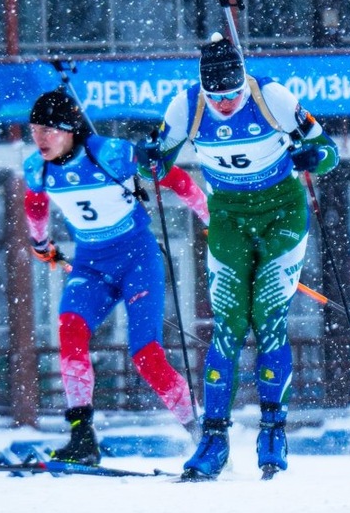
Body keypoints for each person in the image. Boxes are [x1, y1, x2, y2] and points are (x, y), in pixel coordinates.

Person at [144, 33, 339, 480]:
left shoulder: (271, 95)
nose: (226, 104)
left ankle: (273, 430)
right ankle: (214, 440)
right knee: (228, 326)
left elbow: (329, 152)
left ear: (243, 82)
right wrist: (147, 160)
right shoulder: (187, 107)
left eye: (232, 94)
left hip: (282, 213)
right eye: (217, 97)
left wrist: (313, 156)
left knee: (268, 316)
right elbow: (156, 164)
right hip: (229, 216)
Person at [23, 89, 211, 464]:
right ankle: (82, 436)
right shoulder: (37, 168)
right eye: (34, 130)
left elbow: (174, 179)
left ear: (71, 130)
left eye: (49, 130)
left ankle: (202, 436)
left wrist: (212, 221)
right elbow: (36, 202)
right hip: (91, 266)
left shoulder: (111, 154)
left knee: (146, 356)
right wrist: (40, 242)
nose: (40, 139)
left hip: (137, 261)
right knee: (70, 330)